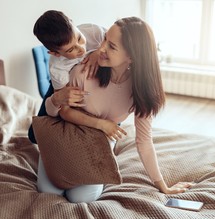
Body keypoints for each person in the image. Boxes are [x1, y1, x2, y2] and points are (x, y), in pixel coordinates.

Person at [46, 17, 195, 197]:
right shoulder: (83, 71)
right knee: (48, 192)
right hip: (66, 137)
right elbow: (62, 112)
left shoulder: (141, 90)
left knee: (80, 198)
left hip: (98, 142)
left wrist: (163, 186)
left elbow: (144, 141)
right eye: (104, 39)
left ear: (131, 57)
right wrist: (101, 124)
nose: (100, 48)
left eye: (112, 46)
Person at [28, 10, 105, 142]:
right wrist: (57, 99)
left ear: (73, 23)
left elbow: (117, 45)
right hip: (63, 84)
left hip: (94, 83)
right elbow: (62, 109)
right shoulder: (57, 67)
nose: (81, 48)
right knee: (34, 135)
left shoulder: (94, 31)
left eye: (80, 39)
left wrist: (100, 51)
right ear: (55, 53)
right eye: (71, 50)